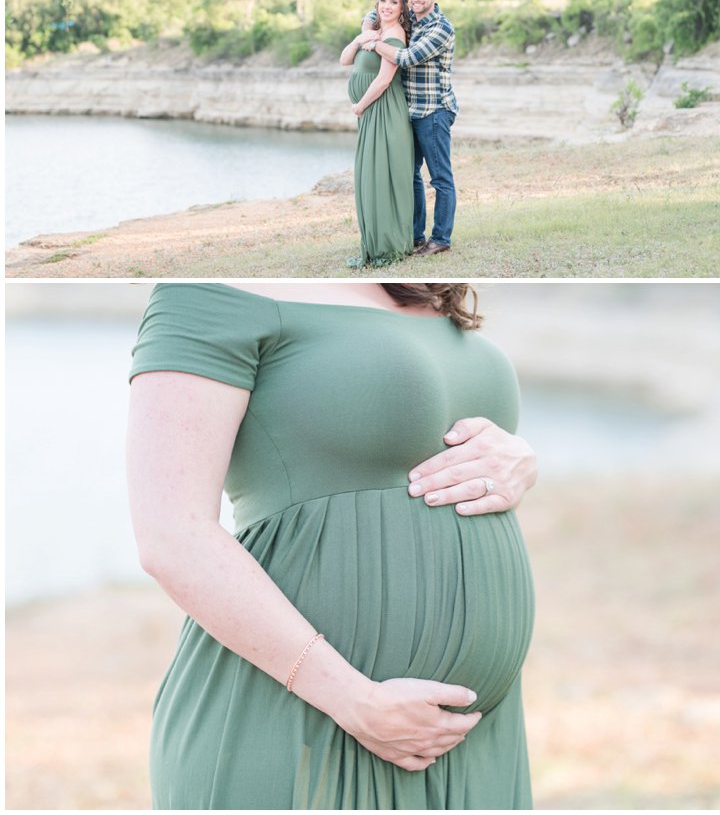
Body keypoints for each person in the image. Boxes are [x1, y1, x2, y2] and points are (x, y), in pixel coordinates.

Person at [127, 281, 538, 810]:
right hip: (303, 718)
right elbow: (172, 535)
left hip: (473, 738)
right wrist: (355, 700)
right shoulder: (208, 296)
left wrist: (520, 459)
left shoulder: (420, 287)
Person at [362, 0, 458, 257]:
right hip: (409, 111)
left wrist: (373, 42)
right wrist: (369, 29)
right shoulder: (411, 19)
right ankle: (415, 235)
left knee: (440, 178)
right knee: (410, 173)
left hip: (434, 111)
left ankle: (440, 239)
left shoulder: (441, 28)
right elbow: (373, 13)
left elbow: (405, 57)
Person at [340, 0, 414, 267]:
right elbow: (344, 59)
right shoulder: (373, 33)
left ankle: (389, 243)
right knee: (369, 176)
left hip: (383, 110)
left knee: (383, 176)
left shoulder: (396, 35)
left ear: (401, 8)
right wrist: (361, 38)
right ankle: (373, 240)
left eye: (393, 2)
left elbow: (384, 80)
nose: (386, 6)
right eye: (382, 0)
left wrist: (359, 106)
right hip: (371, 114)